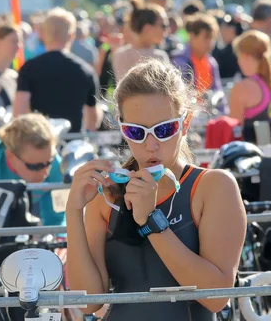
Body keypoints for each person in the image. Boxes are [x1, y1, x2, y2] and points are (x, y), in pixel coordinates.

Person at [66, 59, 246, 320]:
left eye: (163, 129)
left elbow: (216, 297)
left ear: (185, 124)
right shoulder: (108, 195)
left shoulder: (213, 187)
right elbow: (88, 301)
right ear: (122, 128)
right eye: (136, 132)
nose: (150, 145)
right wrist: (73, 211)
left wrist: (151, 221)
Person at [13, 7, 100, 133]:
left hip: (39, 143)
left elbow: (19, 113)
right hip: (72, 143)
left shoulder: (28, 69)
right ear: (71, 35)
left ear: (43, 34)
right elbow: (92, 119)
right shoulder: (86, 71)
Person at [228, 30, 271, 125]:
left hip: (252, 140)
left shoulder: (241, 88)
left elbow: (234, 130)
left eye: (238, 56)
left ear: (245, 56)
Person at [111, 0, 170, 82]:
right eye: (163, 26)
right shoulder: (160, 56)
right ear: (147, 28)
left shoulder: (120, 54)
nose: (167, 31)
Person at [171, 13, 224, 105]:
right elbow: (180, 96)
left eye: (212, 38)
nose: (210, 43)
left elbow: (218, 93)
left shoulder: (211, 63)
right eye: (206, 38)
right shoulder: (180, 61)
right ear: (192, 36)